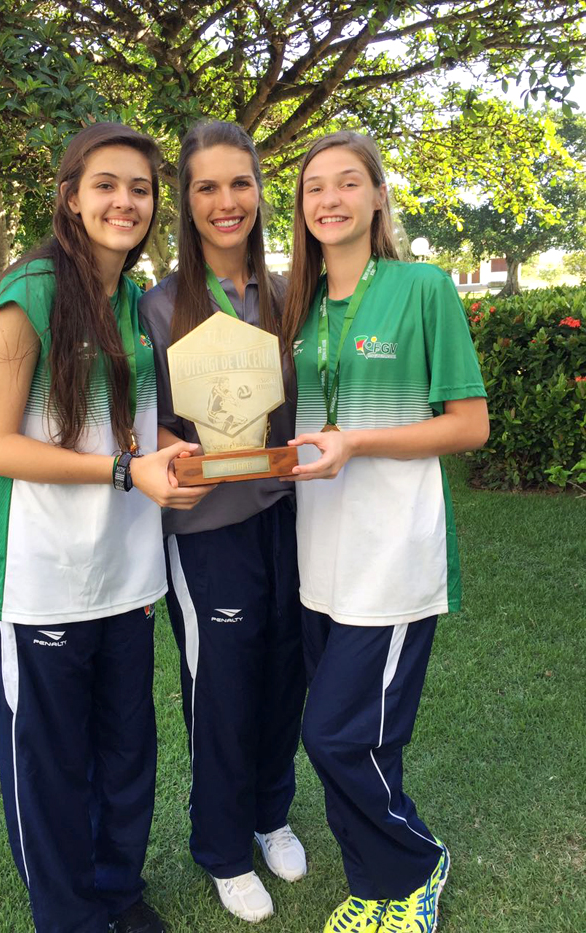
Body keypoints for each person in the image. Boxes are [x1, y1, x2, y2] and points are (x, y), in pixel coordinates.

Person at [0, 122, 208, 933]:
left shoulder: (136, 305)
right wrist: (119, 471)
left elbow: (126, 429)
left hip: (125, 571)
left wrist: (174, 452)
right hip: (39, 578)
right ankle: (68, 915)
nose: (125, 201)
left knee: (126, 752)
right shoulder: (27, 293)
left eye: (140, 188)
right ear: (70, 196)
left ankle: (116, 890)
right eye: (107, 184)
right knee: (51, 766)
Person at [281, 131, 490, 933]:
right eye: (312, 189)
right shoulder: (295, 307)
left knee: (334, 733)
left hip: (394, 556)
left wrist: (360, 440)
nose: (328, 199)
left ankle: (413, 865)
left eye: (346, 183)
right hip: (316, 556)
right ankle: (376, 884)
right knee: (362, 736)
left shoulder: (422, 287)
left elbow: (468, 425)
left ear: (376, 197)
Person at [139, 121, 307, 924]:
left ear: (259, 193)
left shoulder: (286, 294)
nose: (226, 201)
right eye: (207, 186)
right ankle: (223, 850)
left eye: (239, 183)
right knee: (223, 685)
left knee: (285, 671)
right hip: (207, 532)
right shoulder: (159, 304)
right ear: (186, 202)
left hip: (288, 517)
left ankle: (272, 813)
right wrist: (166, 444)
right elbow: (143, 427)